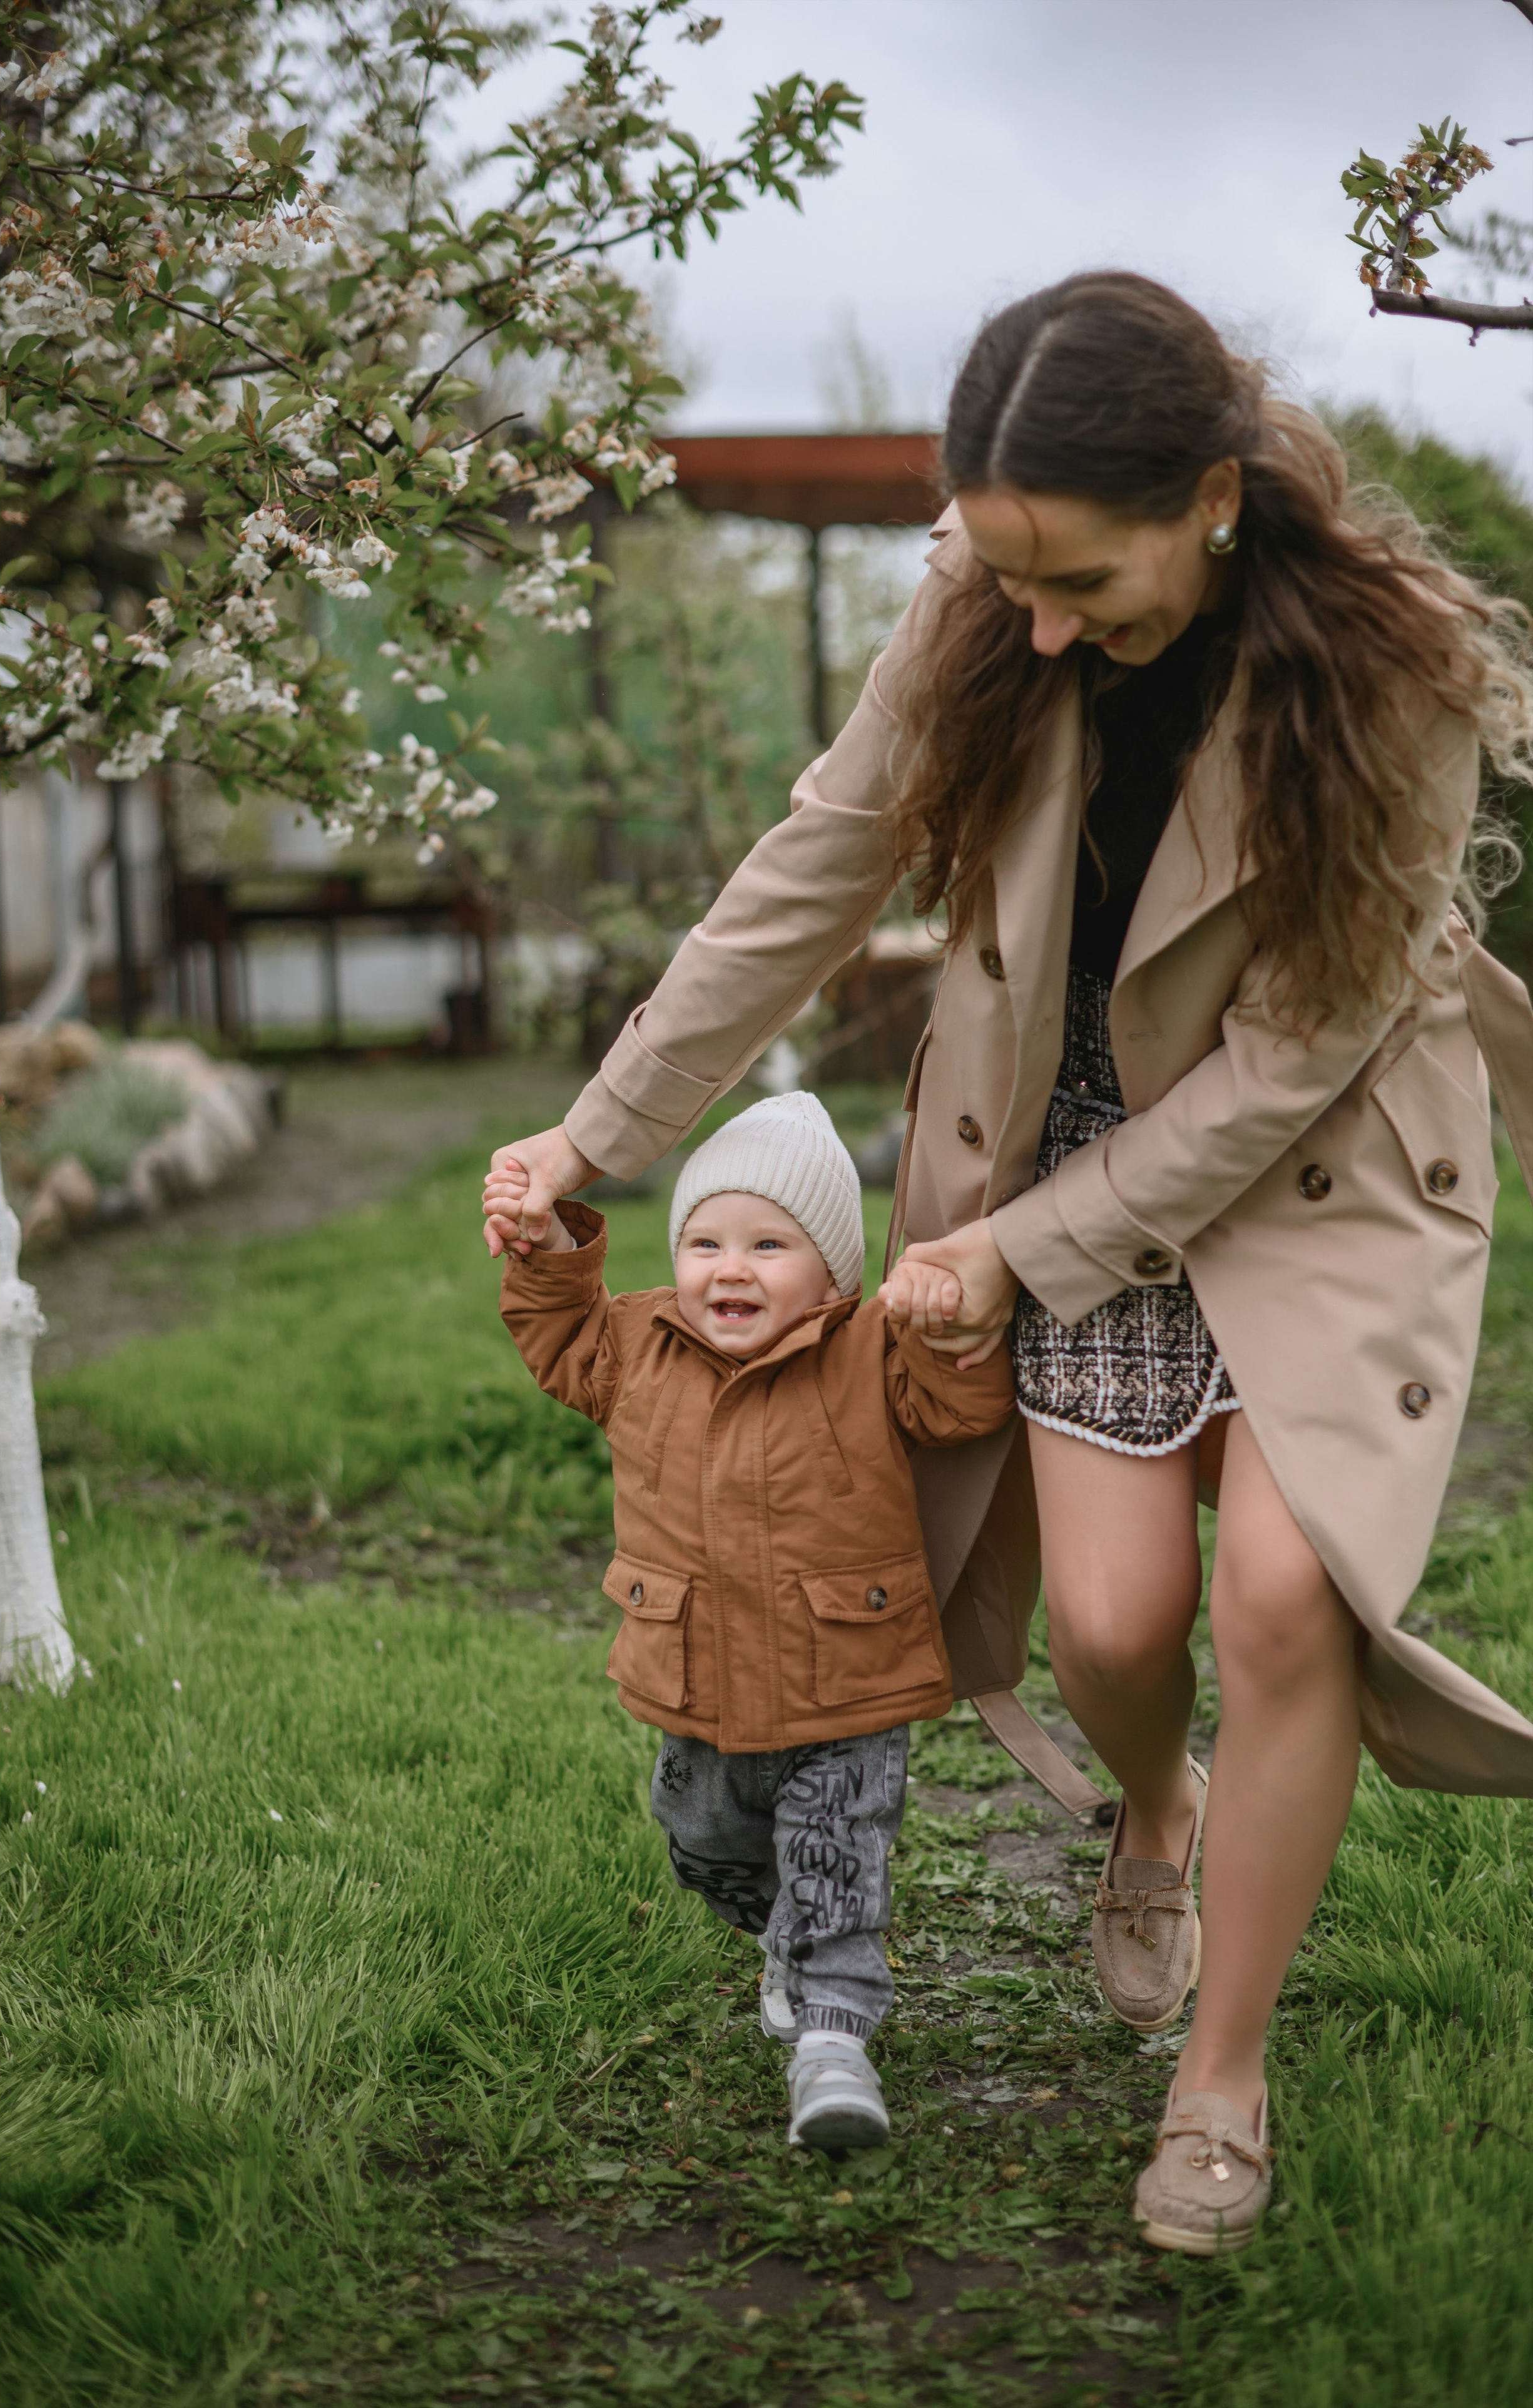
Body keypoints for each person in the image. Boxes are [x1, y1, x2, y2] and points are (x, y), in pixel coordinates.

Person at [483, 272, 1533, 2254]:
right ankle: (1157, 1814)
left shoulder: (1393, 678)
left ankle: (1221, 2082)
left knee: (1288, 1604)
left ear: (1214, 496)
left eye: (1078, 582)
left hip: (1321, 1171)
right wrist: (598, 1135)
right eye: (1003, 574)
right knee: (1120, 1633)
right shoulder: (980, 600)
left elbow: (1290, 1067)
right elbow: (810, 872)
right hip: (1060, 1144)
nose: (1037, 628)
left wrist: (1016, 1257)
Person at [487, 1090, 1016, 2151]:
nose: (730, 1267)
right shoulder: (635, 1346)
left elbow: (964, 1407)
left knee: (834, 1863)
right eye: (704, 1240)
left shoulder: (870, 1351)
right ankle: (789, 1937)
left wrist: (944, 1320)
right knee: (704, 1845)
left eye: (769, 1245)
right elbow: (555, 1340)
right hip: (698, 1682)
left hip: (848, 1685)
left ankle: (835, 2051)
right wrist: (544, 1243)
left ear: (834, 1274)